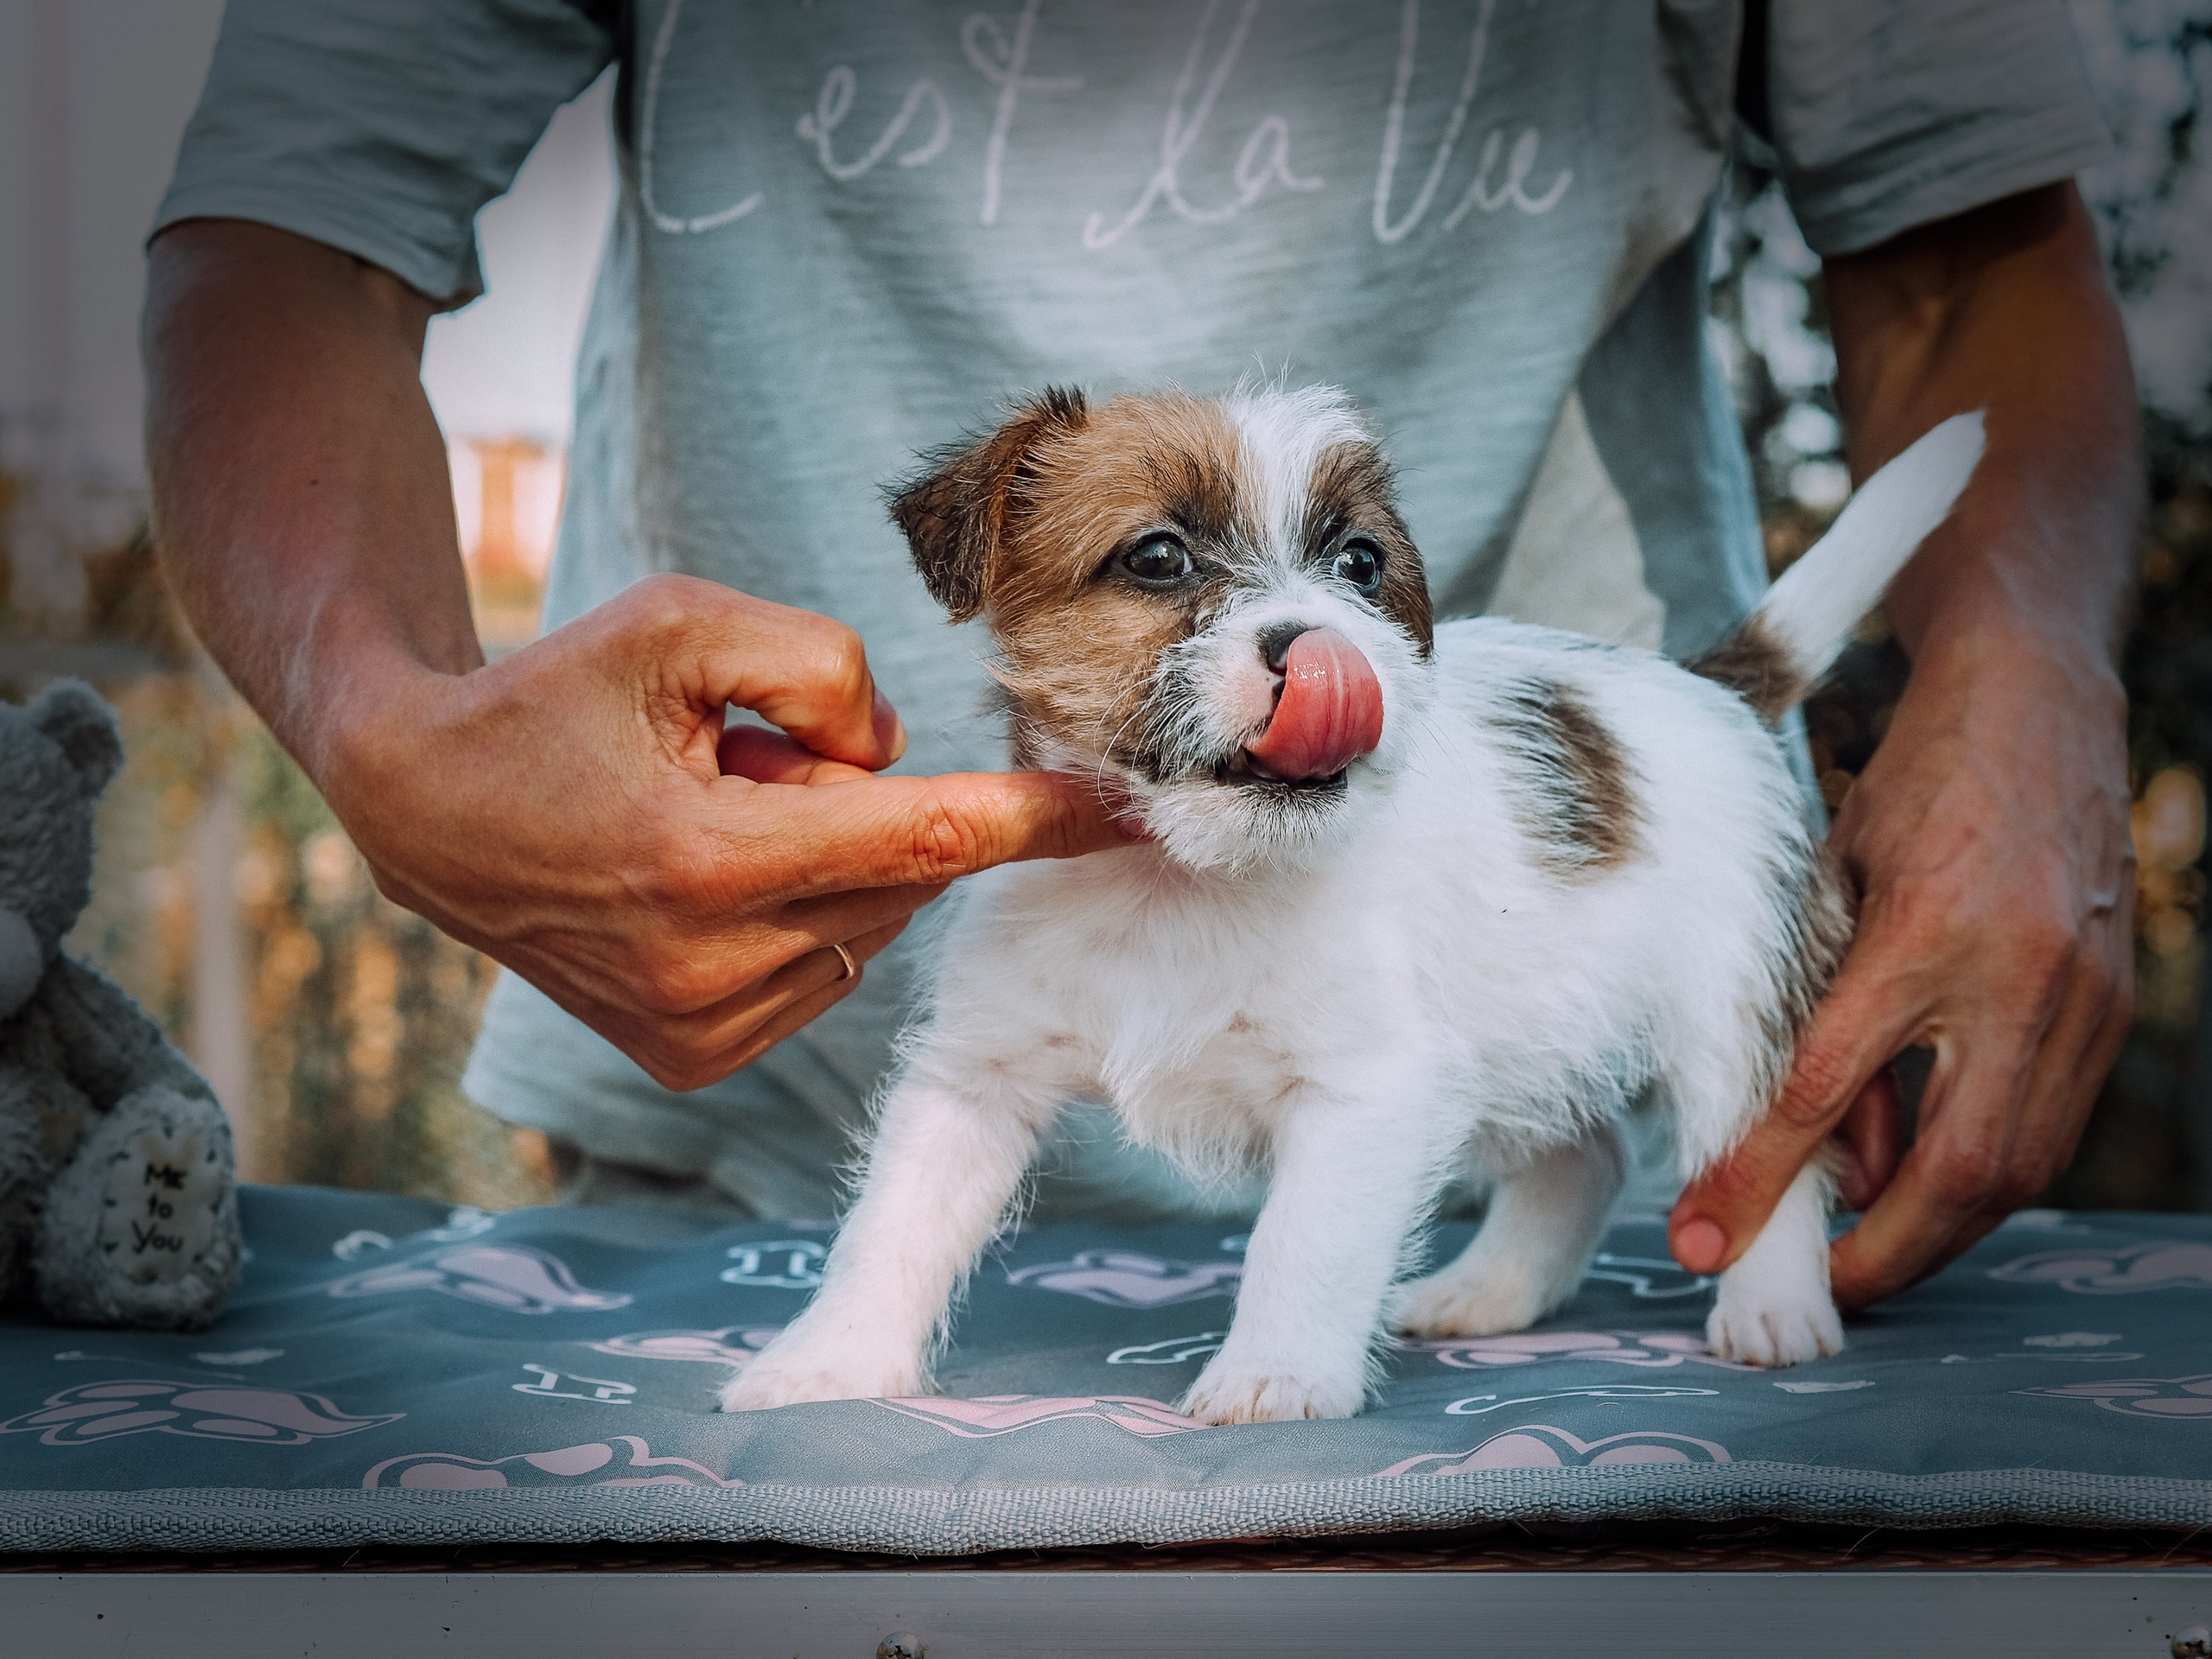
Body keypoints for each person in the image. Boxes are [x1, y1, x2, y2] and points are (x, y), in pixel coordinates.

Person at [143, 1, 2139, 1307]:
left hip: (1575, 1190)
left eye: (1354, 569)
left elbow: (1967, 255)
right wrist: (388, 723)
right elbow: (292, 219)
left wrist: (2030, 683)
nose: (1299, 630)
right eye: (1164, 563)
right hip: (715, 1154)